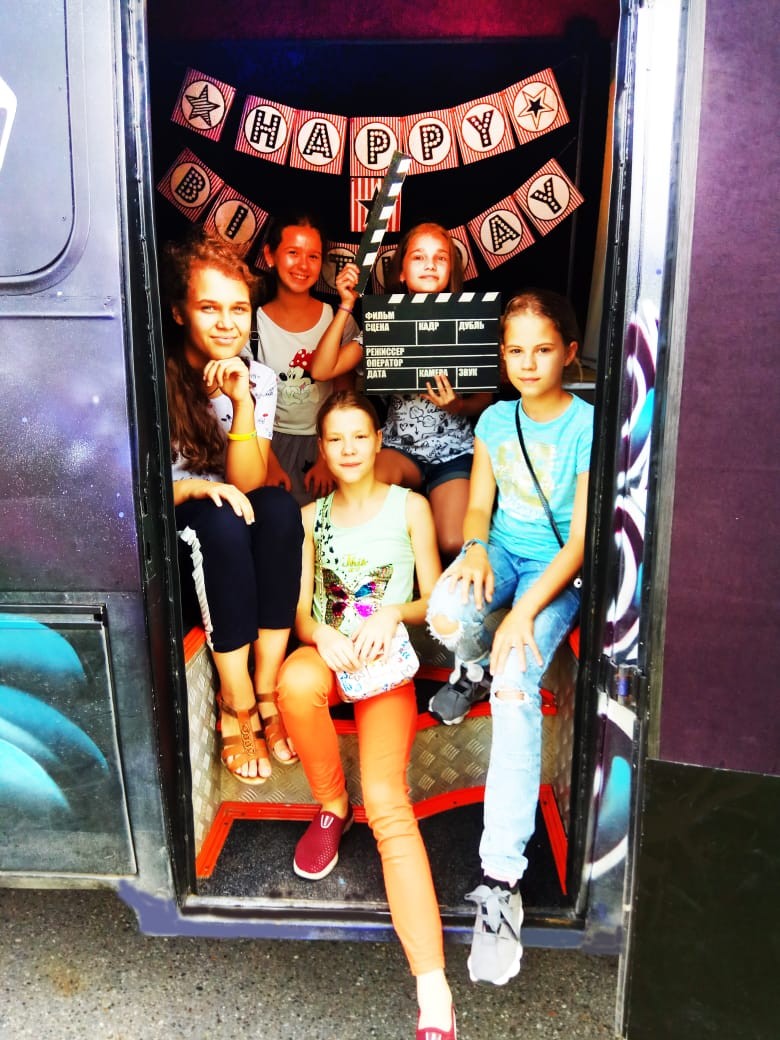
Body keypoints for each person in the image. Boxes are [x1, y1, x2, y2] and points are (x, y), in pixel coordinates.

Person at [276, 391, 457, 1040]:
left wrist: (390, 613)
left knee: (387, 801)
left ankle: (433, 988)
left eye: (360, 436)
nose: (349, 449)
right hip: (331, 657)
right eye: (336, 439)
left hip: (383, 668)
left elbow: (433, 599)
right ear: (321, 449)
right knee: (296, 681)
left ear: (379, 441)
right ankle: (331, 804)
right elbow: (302, 609)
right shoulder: (309, 518)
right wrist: (319, 634)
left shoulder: (411, 506)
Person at [426, 289, 594, 986]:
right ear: (502, 355)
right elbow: (480, 505)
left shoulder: (587, 425)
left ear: (569, 353)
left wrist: (524, 613)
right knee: (446, 612)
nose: (528, 363)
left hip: (556, 574)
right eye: (516, 350)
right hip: (502, 552)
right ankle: (469, 669)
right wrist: (473, 548)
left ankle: (500, 880)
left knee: (518, 683)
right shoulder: (496, 419)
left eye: (543, 349)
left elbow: (580, 542)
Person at [162, 229, 303, 784]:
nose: (227, 323)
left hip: (230, 520)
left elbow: (247, 482)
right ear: (180, 313)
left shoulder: (258, 378)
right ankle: (235, 699)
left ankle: (266, 688)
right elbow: (125, 490)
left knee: (277, 509)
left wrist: (242, 402)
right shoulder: (151, 374)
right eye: (209, 308)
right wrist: (195, 489)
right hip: (172, 524)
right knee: (221, 519)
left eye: (239, 309)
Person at [309, 221, 492, 558]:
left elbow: (484, 399)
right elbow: (322, 369)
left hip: (452, 450)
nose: (430, 264)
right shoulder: (385, 320)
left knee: (453, 541)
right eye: (419, 257)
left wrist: (457, 406)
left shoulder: (470, 318)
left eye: (440, 258)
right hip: (399, 448)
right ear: (402, 273)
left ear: (451, 270)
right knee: (359, 488)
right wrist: (346, 304)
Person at [256, 211, 361, 506]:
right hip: (267, 443)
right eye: (293, 253)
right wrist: (267, 462)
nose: (303, 265)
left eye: (313, 256)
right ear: (270, 255)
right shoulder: (251, 324)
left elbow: (343, 393)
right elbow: (247, 403)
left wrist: (327, 458)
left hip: (323, 443)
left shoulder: (338, 319)